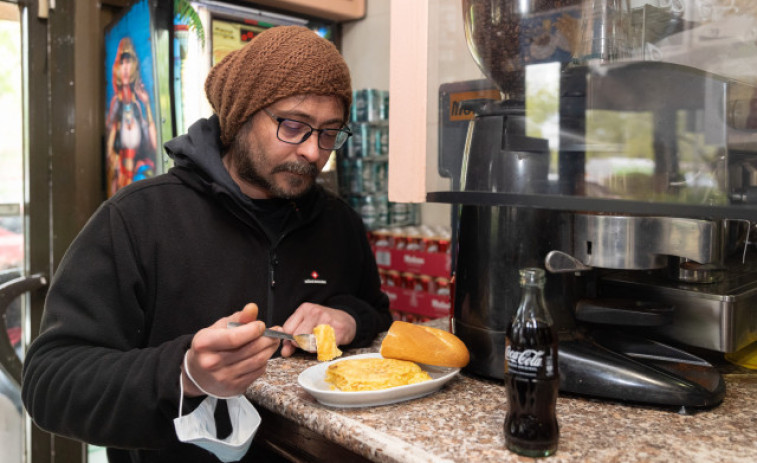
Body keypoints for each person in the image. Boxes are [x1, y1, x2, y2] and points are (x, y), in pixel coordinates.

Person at [22, 25, 392, 463]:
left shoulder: (340, 223)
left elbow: (376, 315)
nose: (313, 151)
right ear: (241, 115)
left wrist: (349, 317)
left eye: (330, 132)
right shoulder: (138, 219)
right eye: (294, 126)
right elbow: (50, 383)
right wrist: (185, 373)